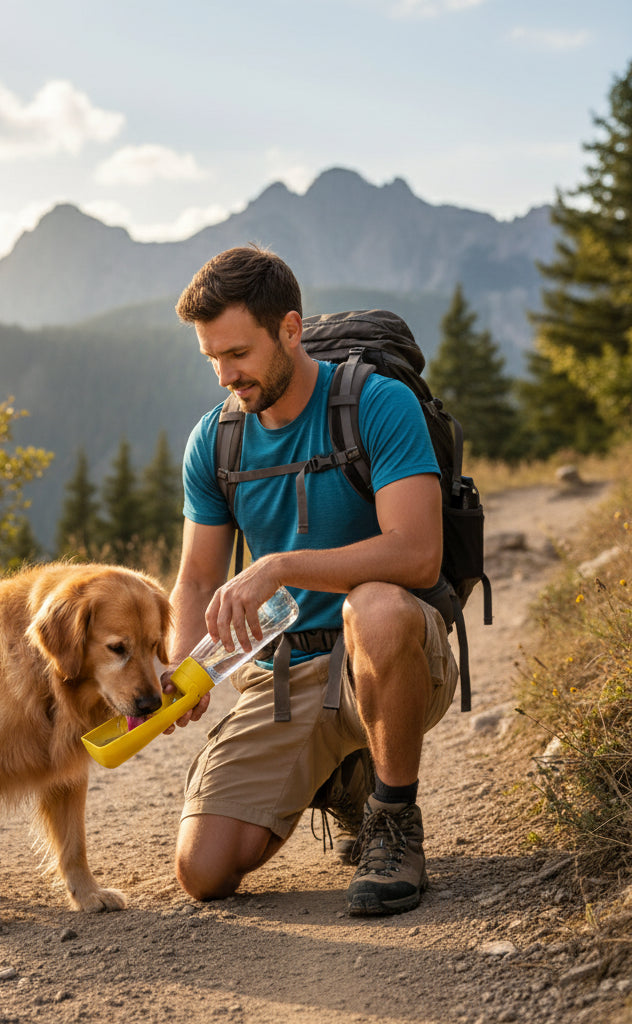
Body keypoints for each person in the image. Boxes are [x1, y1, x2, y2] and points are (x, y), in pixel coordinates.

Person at [167, 245, 459, 916]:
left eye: (236, 353)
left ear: (289, 331)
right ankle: (343, 775)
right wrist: (183, 664)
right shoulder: (214, 442)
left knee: (377, 608)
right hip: (282, 674)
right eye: (211, 357)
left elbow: (418, 556)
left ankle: (393, 820)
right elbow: (196, 577)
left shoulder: (375, 404)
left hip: (387, 655)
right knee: (203, 873)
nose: (223, 375)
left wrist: (279, 565)